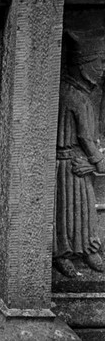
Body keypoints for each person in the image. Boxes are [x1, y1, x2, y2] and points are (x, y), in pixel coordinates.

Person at [53, 31, 105, 277]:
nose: (103, 69)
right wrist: (99, 162)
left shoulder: (65, 90)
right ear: (84, 64)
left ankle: (71, 253)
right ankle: (78, 252)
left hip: (69, 163)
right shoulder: (78, 98)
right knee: (76, 209)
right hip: (74, 163)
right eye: (100, 63)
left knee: (71, 211)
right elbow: (86, 138)